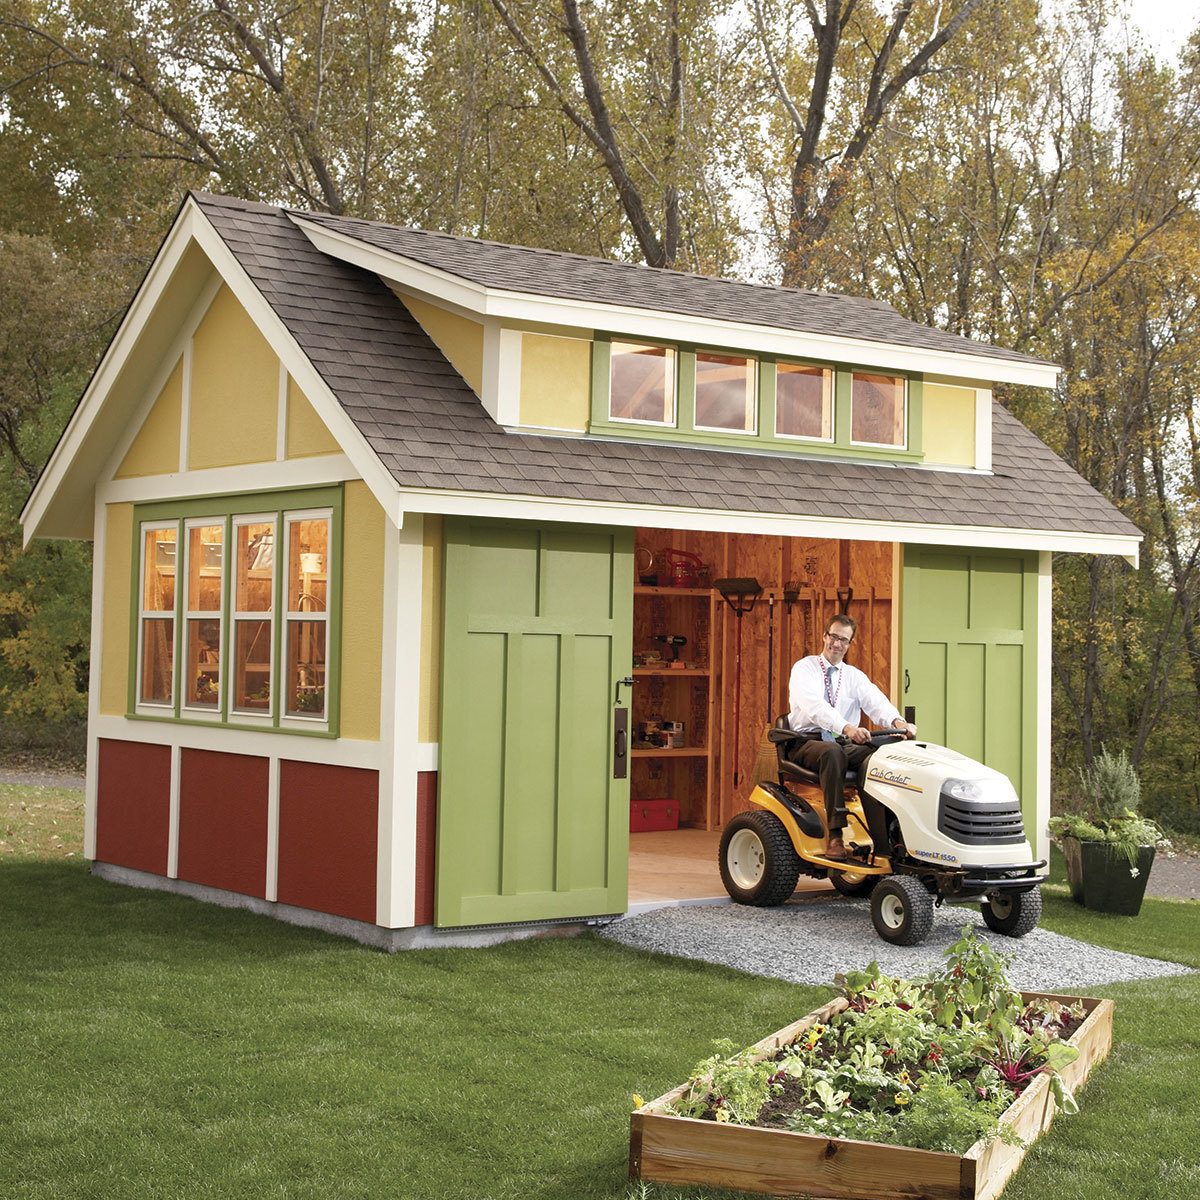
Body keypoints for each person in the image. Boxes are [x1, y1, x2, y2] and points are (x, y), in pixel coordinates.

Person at [786, 614, 915, 858]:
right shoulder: (805, 668)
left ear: (849, 644)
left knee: (881, 752)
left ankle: (887, 835)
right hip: (806, 743)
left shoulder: (854, 676)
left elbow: (876, 701)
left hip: (839, 743)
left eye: (843, 640)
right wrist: (847, 728)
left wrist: (897, 721)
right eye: (833, 637)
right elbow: (814, 707)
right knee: (832, 752)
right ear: (824, 636)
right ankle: (835, 835)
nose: (837, 644)